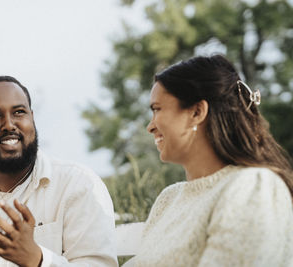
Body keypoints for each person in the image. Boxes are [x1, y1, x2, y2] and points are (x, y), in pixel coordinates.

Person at [124, 55, 293, 266]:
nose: (150, 126)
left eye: (157, 109)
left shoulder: (253, 188)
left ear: (197, 112)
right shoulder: (169, 200)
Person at [0, 76, 118, 267]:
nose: (9, 124)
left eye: (19, 112)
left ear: (32, 118)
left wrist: (36, 260)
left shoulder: (78, 185)